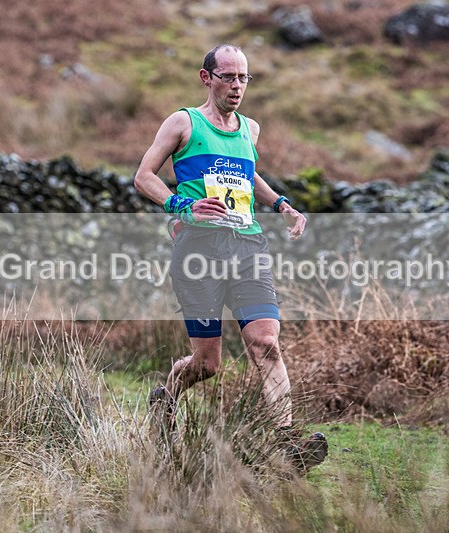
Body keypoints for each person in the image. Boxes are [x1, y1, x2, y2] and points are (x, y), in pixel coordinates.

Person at [134, 44, 326, 471]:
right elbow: (144, 176)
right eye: (228, 77)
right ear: (207, 78)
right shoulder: (184, 122)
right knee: (207, 365)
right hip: (198, 253)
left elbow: (246, 172)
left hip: (247, 247)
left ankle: (287, 443)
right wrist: (182, 208)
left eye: (243, 78)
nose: (237, 86)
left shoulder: (250, 129)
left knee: (266, 343)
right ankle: (165, 398)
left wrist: (281, 206)